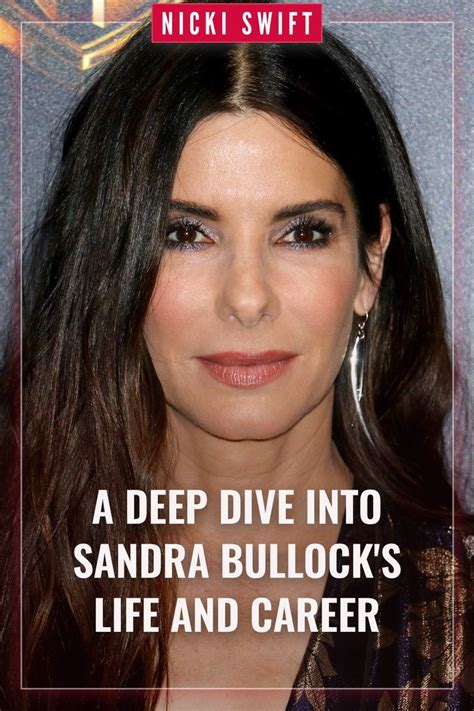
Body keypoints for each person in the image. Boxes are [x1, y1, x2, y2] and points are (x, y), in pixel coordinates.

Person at [2, 9, 472, 711]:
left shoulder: (457, 614)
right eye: (185, 234)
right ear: (109, 258)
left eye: (302, 233)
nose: (247, 298)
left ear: (371, 262)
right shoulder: (17, 583)